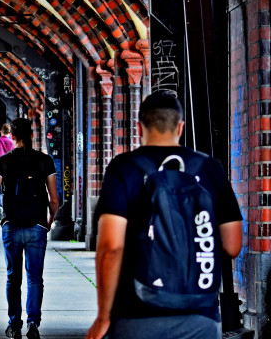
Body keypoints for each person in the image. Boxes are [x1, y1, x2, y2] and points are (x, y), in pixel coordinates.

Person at [85, 90, 243, 339]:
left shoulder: (123, 168)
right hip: (199, 315)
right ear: (180, 127)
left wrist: (104, 316)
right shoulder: (209, 168)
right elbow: (232, 245)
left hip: (135, 315)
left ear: (139, 127)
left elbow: (111, 247)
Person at [0, 118, 59, 339]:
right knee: (35, 278)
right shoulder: (45, 161)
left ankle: (14, 324)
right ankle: (33, 324)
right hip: (37, 226)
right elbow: (54, 199)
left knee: (12, 278)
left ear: (12, 136)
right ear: (32, 135)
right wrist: (50, 220)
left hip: (11, 226)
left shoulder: (2, 162)